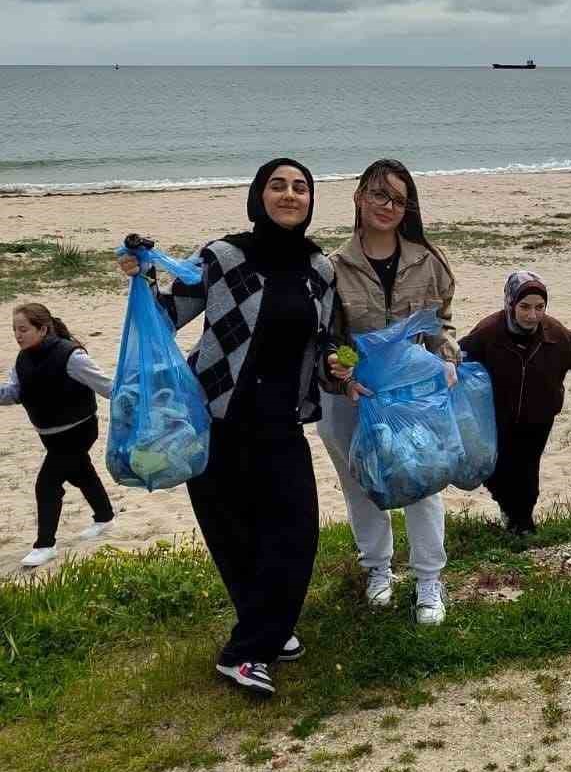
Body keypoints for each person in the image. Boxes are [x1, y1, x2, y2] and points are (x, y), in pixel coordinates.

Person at [118, 158, 337, 697]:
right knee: (234, 532)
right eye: (278, 185)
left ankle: (255, 639)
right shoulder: (224, 256)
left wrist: (337, 363)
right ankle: (257, 643)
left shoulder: (320, 268)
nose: (290, 195)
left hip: (283, 419)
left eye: (300, 187)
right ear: (258, 195)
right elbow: (168, 315)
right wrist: (142, 271)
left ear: (311, 200)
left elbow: (326, 338)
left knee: (296, 530)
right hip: (217, 417)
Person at [320, 159, 457, 624]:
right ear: (359, 196)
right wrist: (341, 370)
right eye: (379, 194)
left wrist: (448, 354)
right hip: (348, 399)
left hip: (411, 397)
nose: (388, 206)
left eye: (398, 200)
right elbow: (326, 338)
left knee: (421, 484)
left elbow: (440, 326)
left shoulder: (428, 260)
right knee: (360, 485)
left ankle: (429, 581)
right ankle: (378, 569)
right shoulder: (331, 268)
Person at [461, 272, 571, 537]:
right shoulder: (488, 332)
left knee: (527, 472)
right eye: (524, 307)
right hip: (497, 417)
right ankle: (511, 511)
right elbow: (459, 358)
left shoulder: (555, 334)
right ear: (510, 303)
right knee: (497, 470)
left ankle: (522, 526)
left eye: (539, 307)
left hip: (539, 417)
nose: (532, 315)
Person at [1, 302, 115, 568]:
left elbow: (108, 386)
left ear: (43, 329)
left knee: (47, 484)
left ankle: (45, 545)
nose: (18, 335)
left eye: (23, 329)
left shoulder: (70, 356)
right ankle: (105, 516)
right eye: (14, 330)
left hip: (79, 431)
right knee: (80, 472)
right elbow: (14, 393)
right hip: (50, 435)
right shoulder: (22, 359)